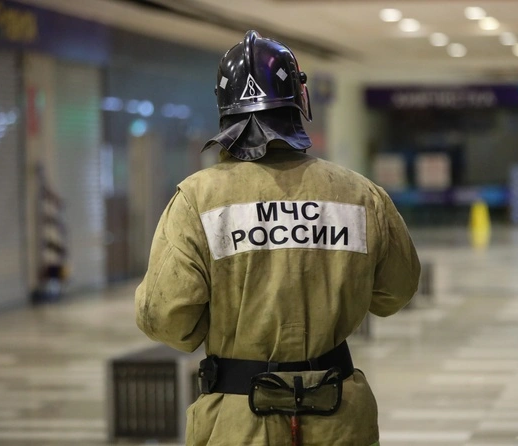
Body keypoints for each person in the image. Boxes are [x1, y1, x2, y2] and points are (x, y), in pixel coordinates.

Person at [135, 30, 420, 446]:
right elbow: (396, 291)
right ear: (298, 101)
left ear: (224, 107)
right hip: (339, 418)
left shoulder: (197, 200)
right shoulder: (360, 195)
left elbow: (165, 318)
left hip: (237, 424)